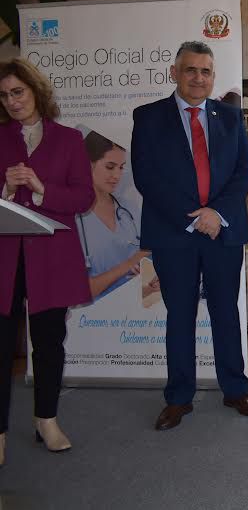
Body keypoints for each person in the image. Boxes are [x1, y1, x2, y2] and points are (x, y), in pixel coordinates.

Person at [131, 41, 248, 431]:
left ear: (212, 76)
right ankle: (178, 398)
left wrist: (216, 214)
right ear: (175, 73)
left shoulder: (229, 116)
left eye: (205, 71)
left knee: (226, 313)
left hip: (223, 230)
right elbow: (146, 177)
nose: (198, 78)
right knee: (181, 316)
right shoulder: (149, 117)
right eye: (190, 70)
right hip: (175, 233)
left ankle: (236, 389)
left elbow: (245, 170)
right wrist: (193, 218)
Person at [0, 58, 95, 464]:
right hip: (5, 259)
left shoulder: (69, 139)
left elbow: (84, 198)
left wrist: (41, 189)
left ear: (36, 91)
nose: (11, 101)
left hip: (51, 258)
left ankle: (46, 420)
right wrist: (5, 188)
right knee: (1, 347)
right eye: (4, 96)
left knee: (49, 341)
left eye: (17, 92)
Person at [77, 131, 147, 300]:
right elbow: (79, 291)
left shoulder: (130, 209)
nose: (117, 176)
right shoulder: (73, 216)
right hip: (92, 319)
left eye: (121, 167)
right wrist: (129, 264)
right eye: (110, 167)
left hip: (135, 313)